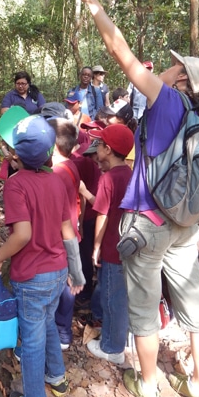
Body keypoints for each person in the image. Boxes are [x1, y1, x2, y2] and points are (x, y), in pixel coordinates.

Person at [69, 0, 199, 397]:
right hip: (185, 225)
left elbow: (123, 56)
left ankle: (150, 387)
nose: (168, 70)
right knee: (194, 302)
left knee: (143, 306)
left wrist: (90, 0)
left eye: (175, 68)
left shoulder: (168, 101)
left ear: (184, 82)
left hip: (149, 222)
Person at [0, 115, 85, 397]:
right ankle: (57, 376)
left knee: (31, 343)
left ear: (15, 154)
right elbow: (68, 231)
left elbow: (23, 235)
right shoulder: (56, 180)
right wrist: (76, 273)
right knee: (48, 326)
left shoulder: (16, 186)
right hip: (58, 272)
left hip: (31, 277)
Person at [82, 125, 133, 365]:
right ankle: (119, 336)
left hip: (113, 248)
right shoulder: (131, 173)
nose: (98, 149)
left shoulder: (108, 178)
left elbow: (101, 214)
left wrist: (96, 246)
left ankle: (112, 347)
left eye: (100, 145)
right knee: (120, 294)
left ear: (108, 150)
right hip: (130, 245)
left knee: (113, 298)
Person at [47, 118, 81, 350]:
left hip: (61, 236)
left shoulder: (56, 173)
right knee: (67, 285)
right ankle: (63, 331)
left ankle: (61, 331)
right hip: (71, 230)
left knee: (65, 286)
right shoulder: (70, 165)